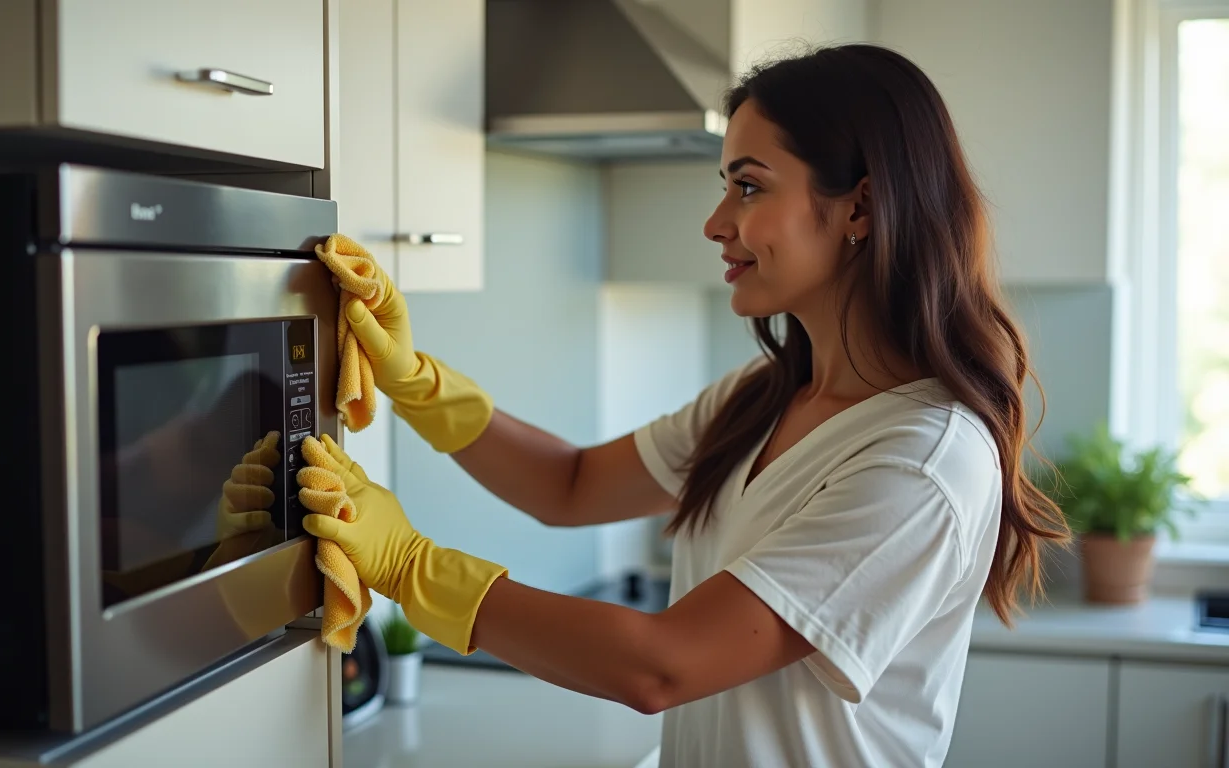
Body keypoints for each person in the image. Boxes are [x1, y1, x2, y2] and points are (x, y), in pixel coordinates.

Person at [296, 43, 1071, 768]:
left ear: (860, 209)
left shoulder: (922, 462)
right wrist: (412, 378)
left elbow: (660, 667)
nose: (716, 223)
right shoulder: (760, 399)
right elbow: (568, 486)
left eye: (749, 185)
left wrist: (410, 565)